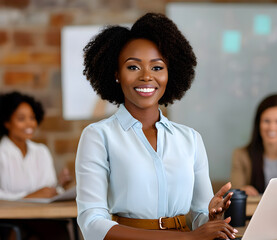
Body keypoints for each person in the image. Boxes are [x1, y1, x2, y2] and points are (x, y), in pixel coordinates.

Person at [76, 13, 238, 240]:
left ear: (169, 74)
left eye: (157, 67)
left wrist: (211, 219)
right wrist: (187, 238)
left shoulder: (190, 139)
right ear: (116, 74)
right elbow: (92, 224)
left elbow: (200, 215)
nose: (146, 77)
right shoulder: (98, 136)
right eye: (133, 67)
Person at [0, 91, 72, 239]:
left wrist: (60, 186)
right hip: (9, 220)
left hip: (42, 218)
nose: (29, 124)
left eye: (32, 118)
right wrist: (28, 197)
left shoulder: (41, 152)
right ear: (6, 122)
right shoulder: (2, 153)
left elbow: (48, 190)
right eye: (21, 119)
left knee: (58, 229)